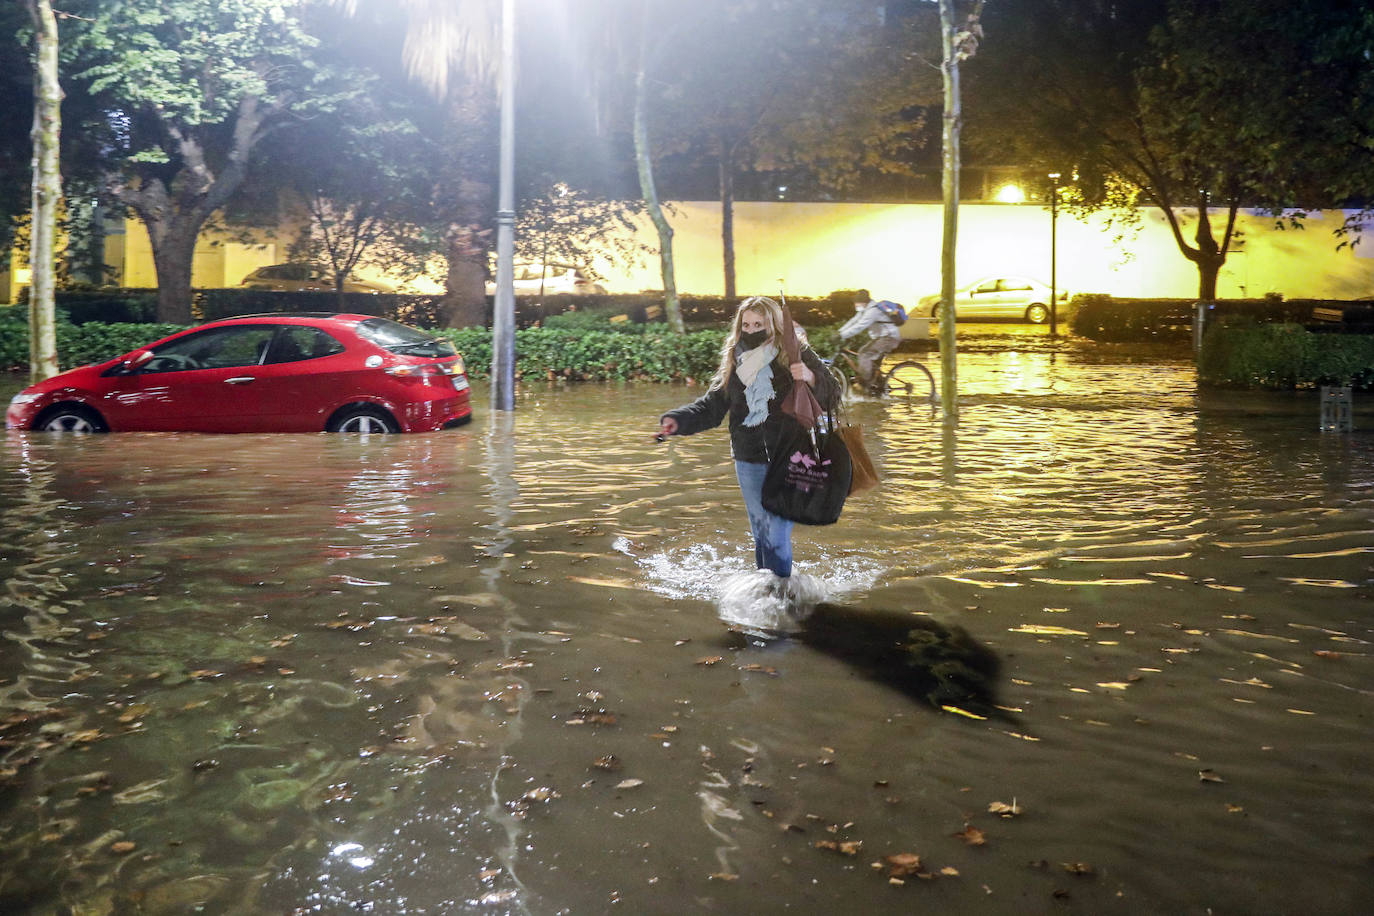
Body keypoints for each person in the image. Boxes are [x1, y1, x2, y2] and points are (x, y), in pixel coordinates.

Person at [655, 296, 835, 580]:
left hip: (789, 456)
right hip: (748, 458)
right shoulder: (735, 359)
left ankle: (781, 595)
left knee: (776, 532)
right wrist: (677, 420)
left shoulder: (794, 351)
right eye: (746, 325)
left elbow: (833, 395)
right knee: (761, 532)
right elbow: (712, 406)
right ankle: (767, 594)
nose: (752, 330)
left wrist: (811, 377)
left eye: (759, 324)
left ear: (773, 324)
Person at [838, 289, 901, 394]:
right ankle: (880, 385)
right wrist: (839, 333)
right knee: (864, 353)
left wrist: (842, 335)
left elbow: (859, 326)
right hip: (882, 338)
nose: (855, 305)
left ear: (863, 302)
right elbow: (854, 321)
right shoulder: (866, 310)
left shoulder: (873, 311)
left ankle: (864, 385)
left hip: (889, 338)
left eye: (856, 302)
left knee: (864, 354)